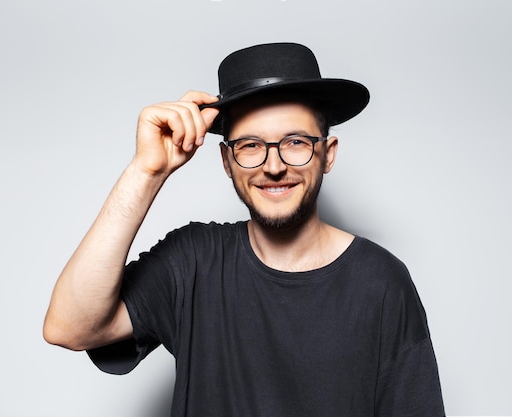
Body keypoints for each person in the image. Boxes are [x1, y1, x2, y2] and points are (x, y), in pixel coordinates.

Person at [44, 42, 445, 416]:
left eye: (295, 142)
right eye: (251, 145)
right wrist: (147, 171)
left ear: (328, 154)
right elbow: (69, 327)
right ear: (226, 161)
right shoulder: (194, 260)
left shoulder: (381, 281)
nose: (273, 166)